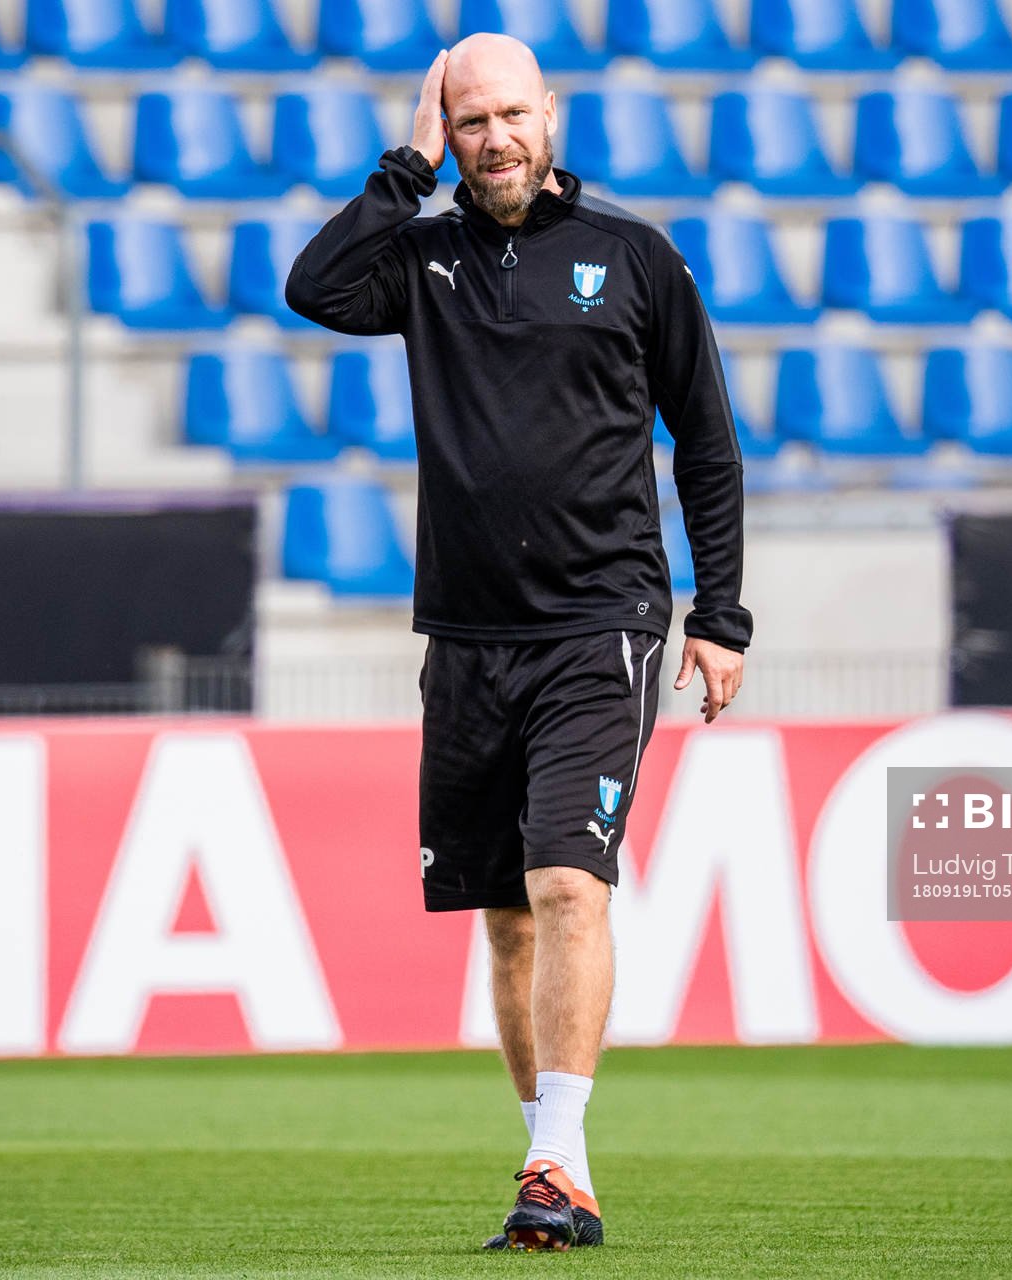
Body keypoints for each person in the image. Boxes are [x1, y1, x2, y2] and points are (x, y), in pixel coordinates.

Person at [285, 34, 752, 1253]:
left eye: (510, 114)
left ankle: (558, 1159)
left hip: (601, 623)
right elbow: (313, 289)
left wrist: (721, 614)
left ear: (551, 114)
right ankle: (557, 1167)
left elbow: (706, 442)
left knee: (566, 881)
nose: (494, 138)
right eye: (469, 120)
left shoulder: (636, 256)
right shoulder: (421, 256)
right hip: (467, 635)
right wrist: (403, 169)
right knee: (505, 914)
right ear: (447, 132)